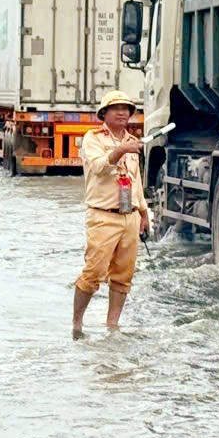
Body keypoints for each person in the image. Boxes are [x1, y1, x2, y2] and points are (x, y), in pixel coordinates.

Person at [72, 90, 149, 339]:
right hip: (103, 215)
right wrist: (120, 151)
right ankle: (77, 324)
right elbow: (98, 167)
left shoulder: (132, 141)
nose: (122, 113)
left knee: (123, 275)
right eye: (116, 108)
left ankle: (112, 325)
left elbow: (136, 181)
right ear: (104, 113)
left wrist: (144, 212)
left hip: (130, 215)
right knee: (93, 272)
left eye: (126, 109)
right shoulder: (92, 138)